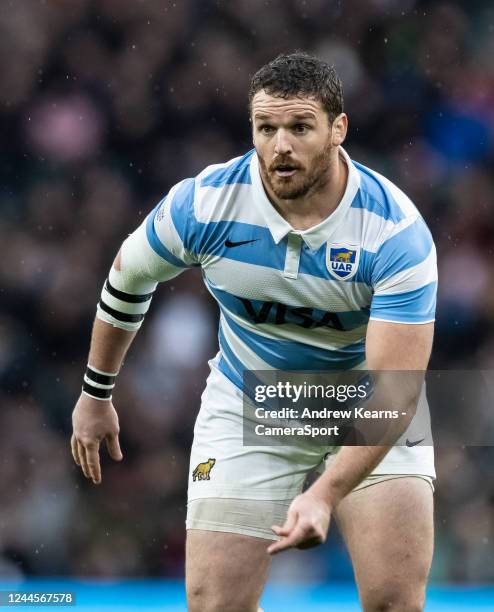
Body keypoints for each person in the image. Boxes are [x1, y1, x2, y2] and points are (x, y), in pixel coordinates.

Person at [71, 52, 437, 611]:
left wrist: (324, 493)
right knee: (215, 605)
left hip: (364, 405)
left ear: (339, 129)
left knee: (394, 603)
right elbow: (128, 279)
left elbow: (395, 393)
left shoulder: (395, 234)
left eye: (299, 127)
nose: (279, 145)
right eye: (265, 128)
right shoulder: (205, 204)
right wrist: (96, 393)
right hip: (252, 398)